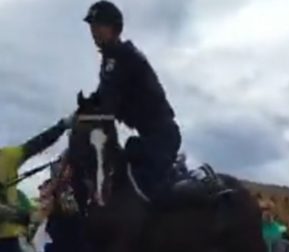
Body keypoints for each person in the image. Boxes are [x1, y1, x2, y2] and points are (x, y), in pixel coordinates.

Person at [83, 0, 187, 201]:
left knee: (149, 192)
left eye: (98, 25)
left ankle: (184, 177)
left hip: (161, 137)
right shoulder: (111, 60)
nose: (94, 31)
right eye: (92, 27)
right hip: (148, 136)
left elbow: (107, 104)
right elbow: (100, 97)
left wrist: (87, 115)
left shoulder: (122, 58)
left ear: (114, 28)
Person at [0, 117, 73, 252]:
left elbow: (38, 143)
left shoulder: (6, 156)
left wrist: (62, 126)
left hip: (11, 240)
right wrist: (25, 216)